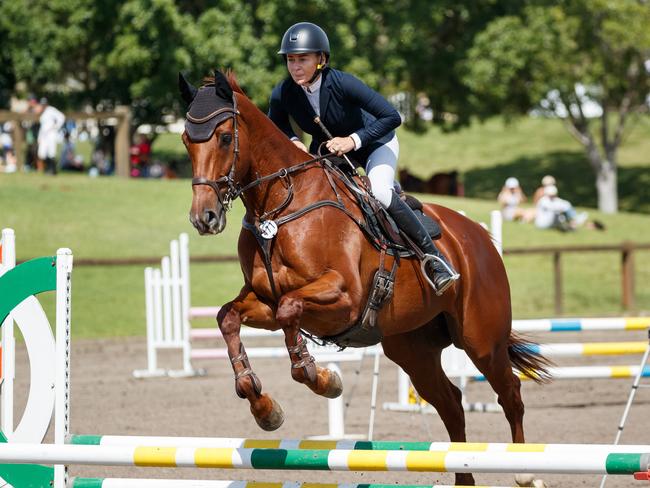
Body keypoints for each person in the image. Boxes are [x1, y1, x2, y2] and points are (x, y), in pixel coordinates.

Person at [268, 22, 459, 294]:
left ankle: (435, 261)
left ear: (321, 59)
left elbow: (392, 116)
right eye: (290, 59)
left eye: (303, 59)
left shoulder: (343, 83)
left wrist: (351, 141)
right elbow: (276, 122)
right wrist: (294, 141)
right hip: (330, 149)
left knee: (379, 191)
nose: (295, 66)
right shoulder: (284, 91)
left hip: (374, 143)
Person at [29, 97, 65, 175]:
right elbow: (43, 127)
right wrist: (39, 137)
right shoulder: (43, 112)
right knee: (42, 153)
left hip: (51, 134)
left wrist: (56, 126)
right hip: (44, 136)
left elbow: (61, 117)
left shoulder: (51, 110)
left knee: (51, 152)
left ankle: (52, 170)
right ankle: (48, 168)